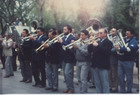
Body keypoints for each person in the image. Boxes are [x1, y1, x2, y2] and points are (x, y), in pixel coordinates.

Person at [88, 28, 113, 93]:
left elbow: (106, 52)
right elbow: (89, 50)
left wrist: (98, 45)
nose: (99, 34)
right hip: (95, 65)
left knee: (105, 83)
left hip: (103, 66)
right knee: (97, 83)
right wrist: (90, 42)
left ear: (105, 34)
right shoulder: (97, 41)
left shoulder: (109, 42)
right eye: (98, 33)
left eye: (101, 33)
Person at [58, 25, 76, 93]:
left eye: (65, 30)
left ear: (69, 30)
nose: (64, 31)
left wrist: (61, 42)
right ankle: (68, 88)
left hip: (70, 58)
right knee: (65, 75)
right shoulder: (64, 37)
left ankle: (71, 88)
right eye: (63, 29)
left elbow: (69, 47)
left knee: (68, 73)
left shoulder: (72, 37)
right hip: (64, 58)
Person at [108, 28, 118, 92]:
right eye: (111, 31)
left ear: (116, 32)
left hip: (114, 59)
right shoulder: (108, 38)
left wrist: (108, 50)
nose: (112, 32)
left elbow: (116, 49)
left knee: (115, 74)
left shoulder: (118, 38)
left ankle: (115, 87)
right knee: (109, 74)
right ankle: (110, 86)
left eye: (114, 31)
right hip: (108, 59)